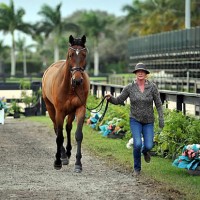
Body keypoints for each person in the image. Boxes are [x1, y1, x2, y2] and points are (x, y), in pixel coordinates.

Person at [105, 62, 164, 176]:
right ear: (136, 73)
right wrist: (110, 99)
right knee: (137, 144)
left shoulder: (152, 87)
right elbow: (119, 100)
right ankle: (137, 168)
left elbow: (158, 103)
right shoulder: (130, 87)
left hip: (148, 121)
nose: (140, 73)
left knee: (148, 145)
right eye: (138, 71)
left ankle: (145, 151)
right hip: (135, 120)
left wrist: (161, 117)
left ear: (146, 74)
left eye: (143, 71)